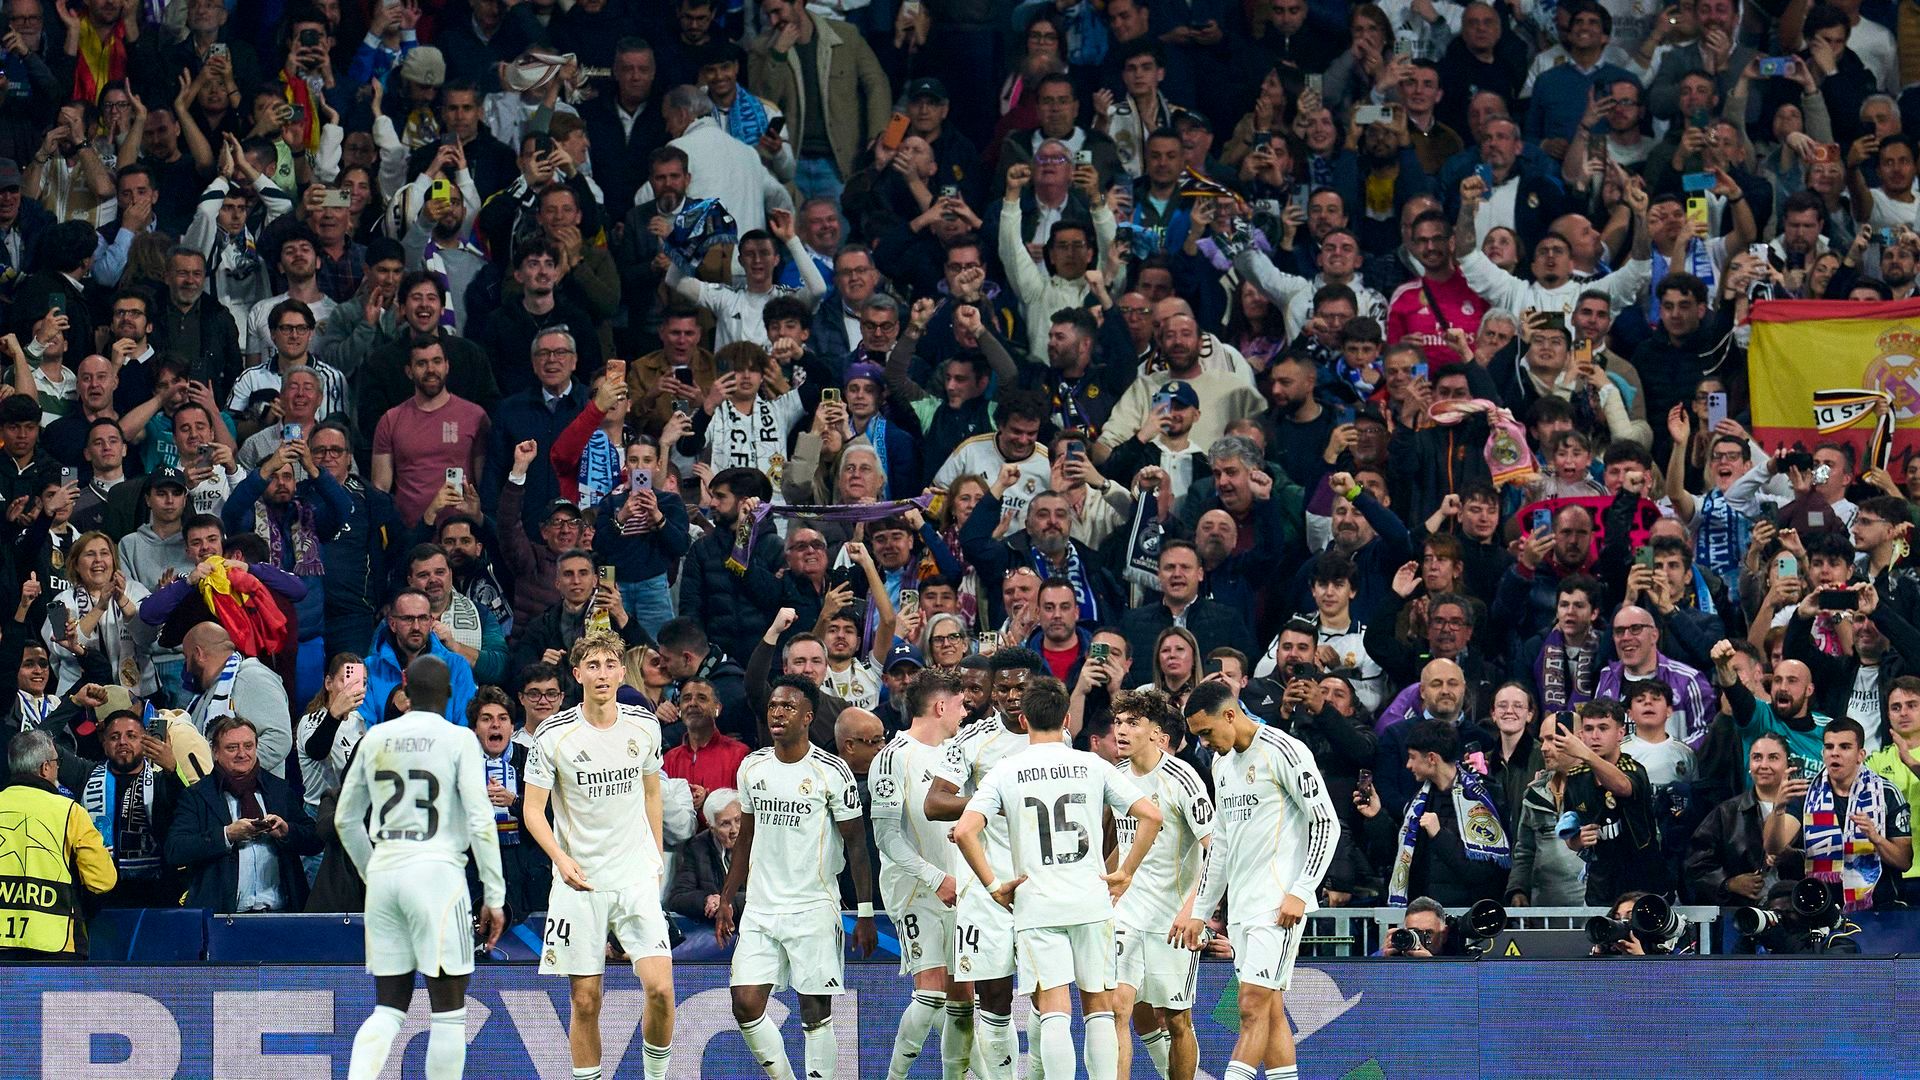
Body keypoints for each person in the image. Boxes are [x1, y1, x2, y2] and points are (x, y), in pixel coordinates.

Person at [953, 675, 1162, 1080]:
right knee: (1098, 1007)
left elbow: (963, 831)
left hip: (1036, 903)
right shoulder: (1092, 764)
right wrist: (1125, 873)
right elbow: (1151, 815)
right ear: (1067, 718)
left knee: (1053, 1009)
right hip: (1091, 898)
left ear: (1024, 719)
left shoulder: (1006, 770)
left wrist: (994, 887)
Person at [335, 655, 506, 1080]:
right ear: (449, 695)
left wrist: (372, 871)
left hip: (387, 870)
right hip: (437, 875)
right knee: (448, 1014)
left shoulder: (376, 737)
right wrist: (495, 895)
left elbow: (344, 819)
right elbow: (482, 819)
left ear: (405, 692)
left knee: (388, 1008)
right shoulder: (459, 739)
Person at [520, 633, 678, 1080]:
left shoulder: (644, 726)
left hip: (635, 878)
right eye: (592, 666)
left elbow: (652, 791)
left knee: (662, 990)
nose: (602, 673)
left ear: (621, 671)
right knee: (586, 1001)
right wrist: (560, 859)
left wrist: (656, 852)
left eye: (610, 664)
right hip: (579, 882)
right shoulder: (553, 734)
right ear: (577, 674)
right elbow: (532, 809)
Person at [715, 674, 877, 1080]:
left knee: (815, 1012)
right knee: (745, 1004)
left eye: (788, 707)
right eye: (773, 706)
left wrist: (865, 912)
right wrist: (727, 896)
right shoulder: (753, 766)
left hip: (813, 906)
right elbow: (746, 837)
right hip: (762, 907)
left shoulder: (832, 771)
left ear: (807, 717)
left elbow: (857, 844)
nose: (777, 712)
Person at [1178, 680, 1337, 1080]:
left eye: (1207, 733)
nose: (1204, 743)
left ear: (1230, 715)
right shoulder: (1220, 765)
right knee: (1270, 1009)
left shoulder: (1284, 750)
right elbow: (1222, 846)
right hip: (1242, 909)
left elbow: (1326, 822)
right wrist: (1200, 910)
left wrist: (1301, 890)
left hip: (1278, 905)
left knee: (1249, 1005)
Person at [923, 646, 1045, 1079]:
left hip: (1042, 885)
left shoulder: (1055, 736)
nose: (1013, 695)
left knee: (1046, 998)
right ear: (992, 692)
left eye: (1022, 686)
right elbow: (934, 803)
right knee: (993, 1000)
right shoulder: (970, 741)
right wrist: (989, 801)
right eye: (1005, 687)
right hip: (985, 887)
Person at [868, 669, 968, 1080]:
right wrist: (934, 878)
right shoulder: (893, 756)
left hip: (959, 888)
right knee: (930, 991)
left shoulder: (956, 755)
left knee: (964, 1000)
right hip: (915, 889)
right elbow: (886, 837)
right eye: (960, 705)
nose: (965, 713)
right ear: (940, 707)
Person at [1109, 688, 1214, 1080]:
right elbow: (1120, 846)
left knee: (1176, 1018)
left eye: (1133, 723)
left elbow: (1214, 848)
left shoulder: (1183, 778)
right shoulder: (1114, 777)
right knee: (1118, 1005)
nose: (1121, 730)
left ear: (1156, 733)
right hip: (1127, 911)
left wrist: (1194, 909)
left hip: (1173, 916)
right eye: (1118, 722)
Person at [165, 715, 321, 913]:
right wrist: (227, 835)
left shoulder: (278, 790)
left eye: (248, 746)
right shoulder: (197, 796)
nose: (242, 754)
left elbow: (315, 840)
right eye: (232, 748)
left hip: (280, 916)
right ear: (215, 752)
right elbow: (176, 849)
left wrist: (287, 832)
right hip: (223, 919)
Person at [1764, 717, 1914, 911]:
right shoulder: (1805, 792)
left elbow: (1904, 861)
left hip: (1880, 909)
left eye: (1844, 747)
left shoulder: (1886, 793)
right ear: (1822, 752)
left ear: (1860, 755)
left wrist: (1876, 838)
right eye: (1829, 747)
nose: (1835, 753)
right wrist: (1779, 808)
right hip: (1820, 909)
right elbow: (1774, 847)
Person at [0, 730, 116, 958]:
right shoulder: (70, 811)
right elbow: (102, 880)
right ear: (45, 768)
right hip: (57, 944)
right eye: (56, 762)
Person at [1553, 700, 1669, 904]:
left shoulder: (1634, 769)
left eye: (1603, 728)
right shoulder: (1576, 778)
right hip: (1600, 885)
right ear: (1582, 735)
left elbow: (1623, 787)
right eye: (1588, 729)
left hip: (1642, 882)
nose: (1595, 736)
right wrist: (1578, 840)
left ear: (1620, 733)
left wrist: (1585, 754)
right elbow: (1571, 835)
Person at [82, 709, 185, 909]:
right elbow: (39, 742)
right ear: (104, 745)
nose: (122, 742)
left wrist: (172, 769)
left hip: (156, 898)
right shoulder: (85, 775)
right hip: (99, 899)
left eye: (131, 736)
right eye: (114, 737)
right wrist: (75, 702)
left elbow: (189, 813)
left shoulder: (162, 781)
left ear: (145, 742)